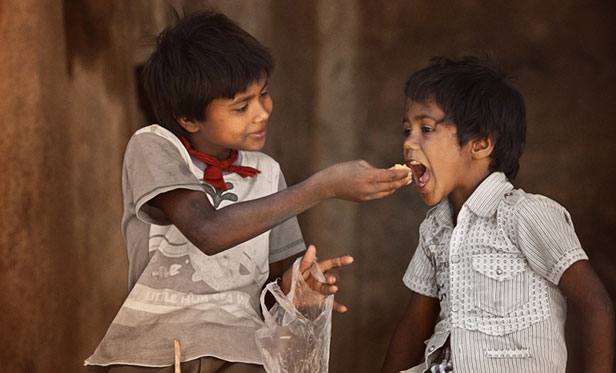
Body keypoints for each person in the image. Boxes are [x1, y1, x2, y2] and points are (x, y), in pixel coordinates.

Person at [85, 10, 411, 373]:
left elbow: (266, 295)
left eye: (264, 94)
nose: (262, 112)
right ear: (188, 118)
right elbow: (207, 230)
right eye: (241, 106)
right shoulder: (154, 146)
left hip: (240, 354)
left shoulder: (267, 173)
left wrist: (294, 291)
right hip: (153, 352)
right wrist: (323, 186)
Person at [382, 56, 614, 373]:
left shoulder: (527, 214)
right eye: (407, 130)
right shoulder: (434, 228)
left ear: (480, 143)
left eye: (426, 128)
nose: (409, 142)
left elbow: (595, 304)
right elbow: (414, 326)